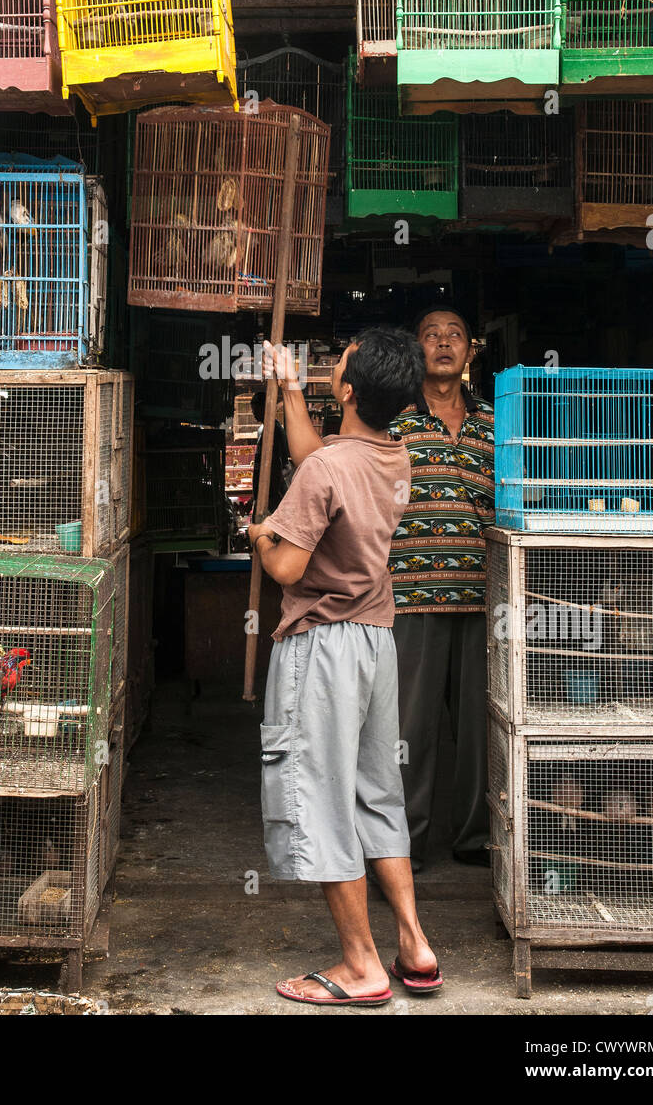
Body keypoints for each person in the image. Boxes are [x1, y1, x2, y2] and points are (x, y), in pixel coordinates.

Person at [248, 328, 441, 1006]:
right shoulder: (392, 454)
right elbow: (318, 460)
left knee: (319, 799)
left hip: (321, 645)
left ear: (351, 390)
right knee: (376, 795)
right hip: (373, 641)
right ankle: (414, 942)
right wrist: (293, 391)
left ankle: (362, 966)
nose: (340, 360)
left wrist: (262, 534)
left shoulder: (327, 470)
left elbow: (289, 565)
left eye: (345, 360)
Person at [388, 305, 495, 870]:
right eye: (431, 334)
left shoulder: (495, 423)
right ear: (417, 350)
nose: (445, 343)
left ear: (471, 350)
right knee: (412, 727)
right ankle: (405, 842)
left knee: (480, 726)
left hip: (482, 596)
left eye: (456, 334)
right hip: (411, 595)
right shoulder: (395, 421)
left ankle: (476, 836)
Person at [250, 389, 291, 514]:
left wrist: (267, 495)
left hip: (272, 494)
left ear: (264, 408)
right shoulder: (264, 430)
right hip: (267, 493)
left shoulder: (274, 431)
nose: (253, 413)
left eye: (256, 409)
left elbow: (278, 466)